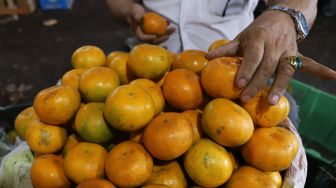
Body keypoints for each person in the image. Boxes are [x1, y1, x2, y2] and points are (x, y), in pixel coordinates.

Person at [106, 0, 336, 107]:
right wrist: (129, 11)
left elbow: (304, 1)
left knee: (286, 113)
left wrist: (287, 17)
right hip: (148, 61)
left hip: (233, 68)